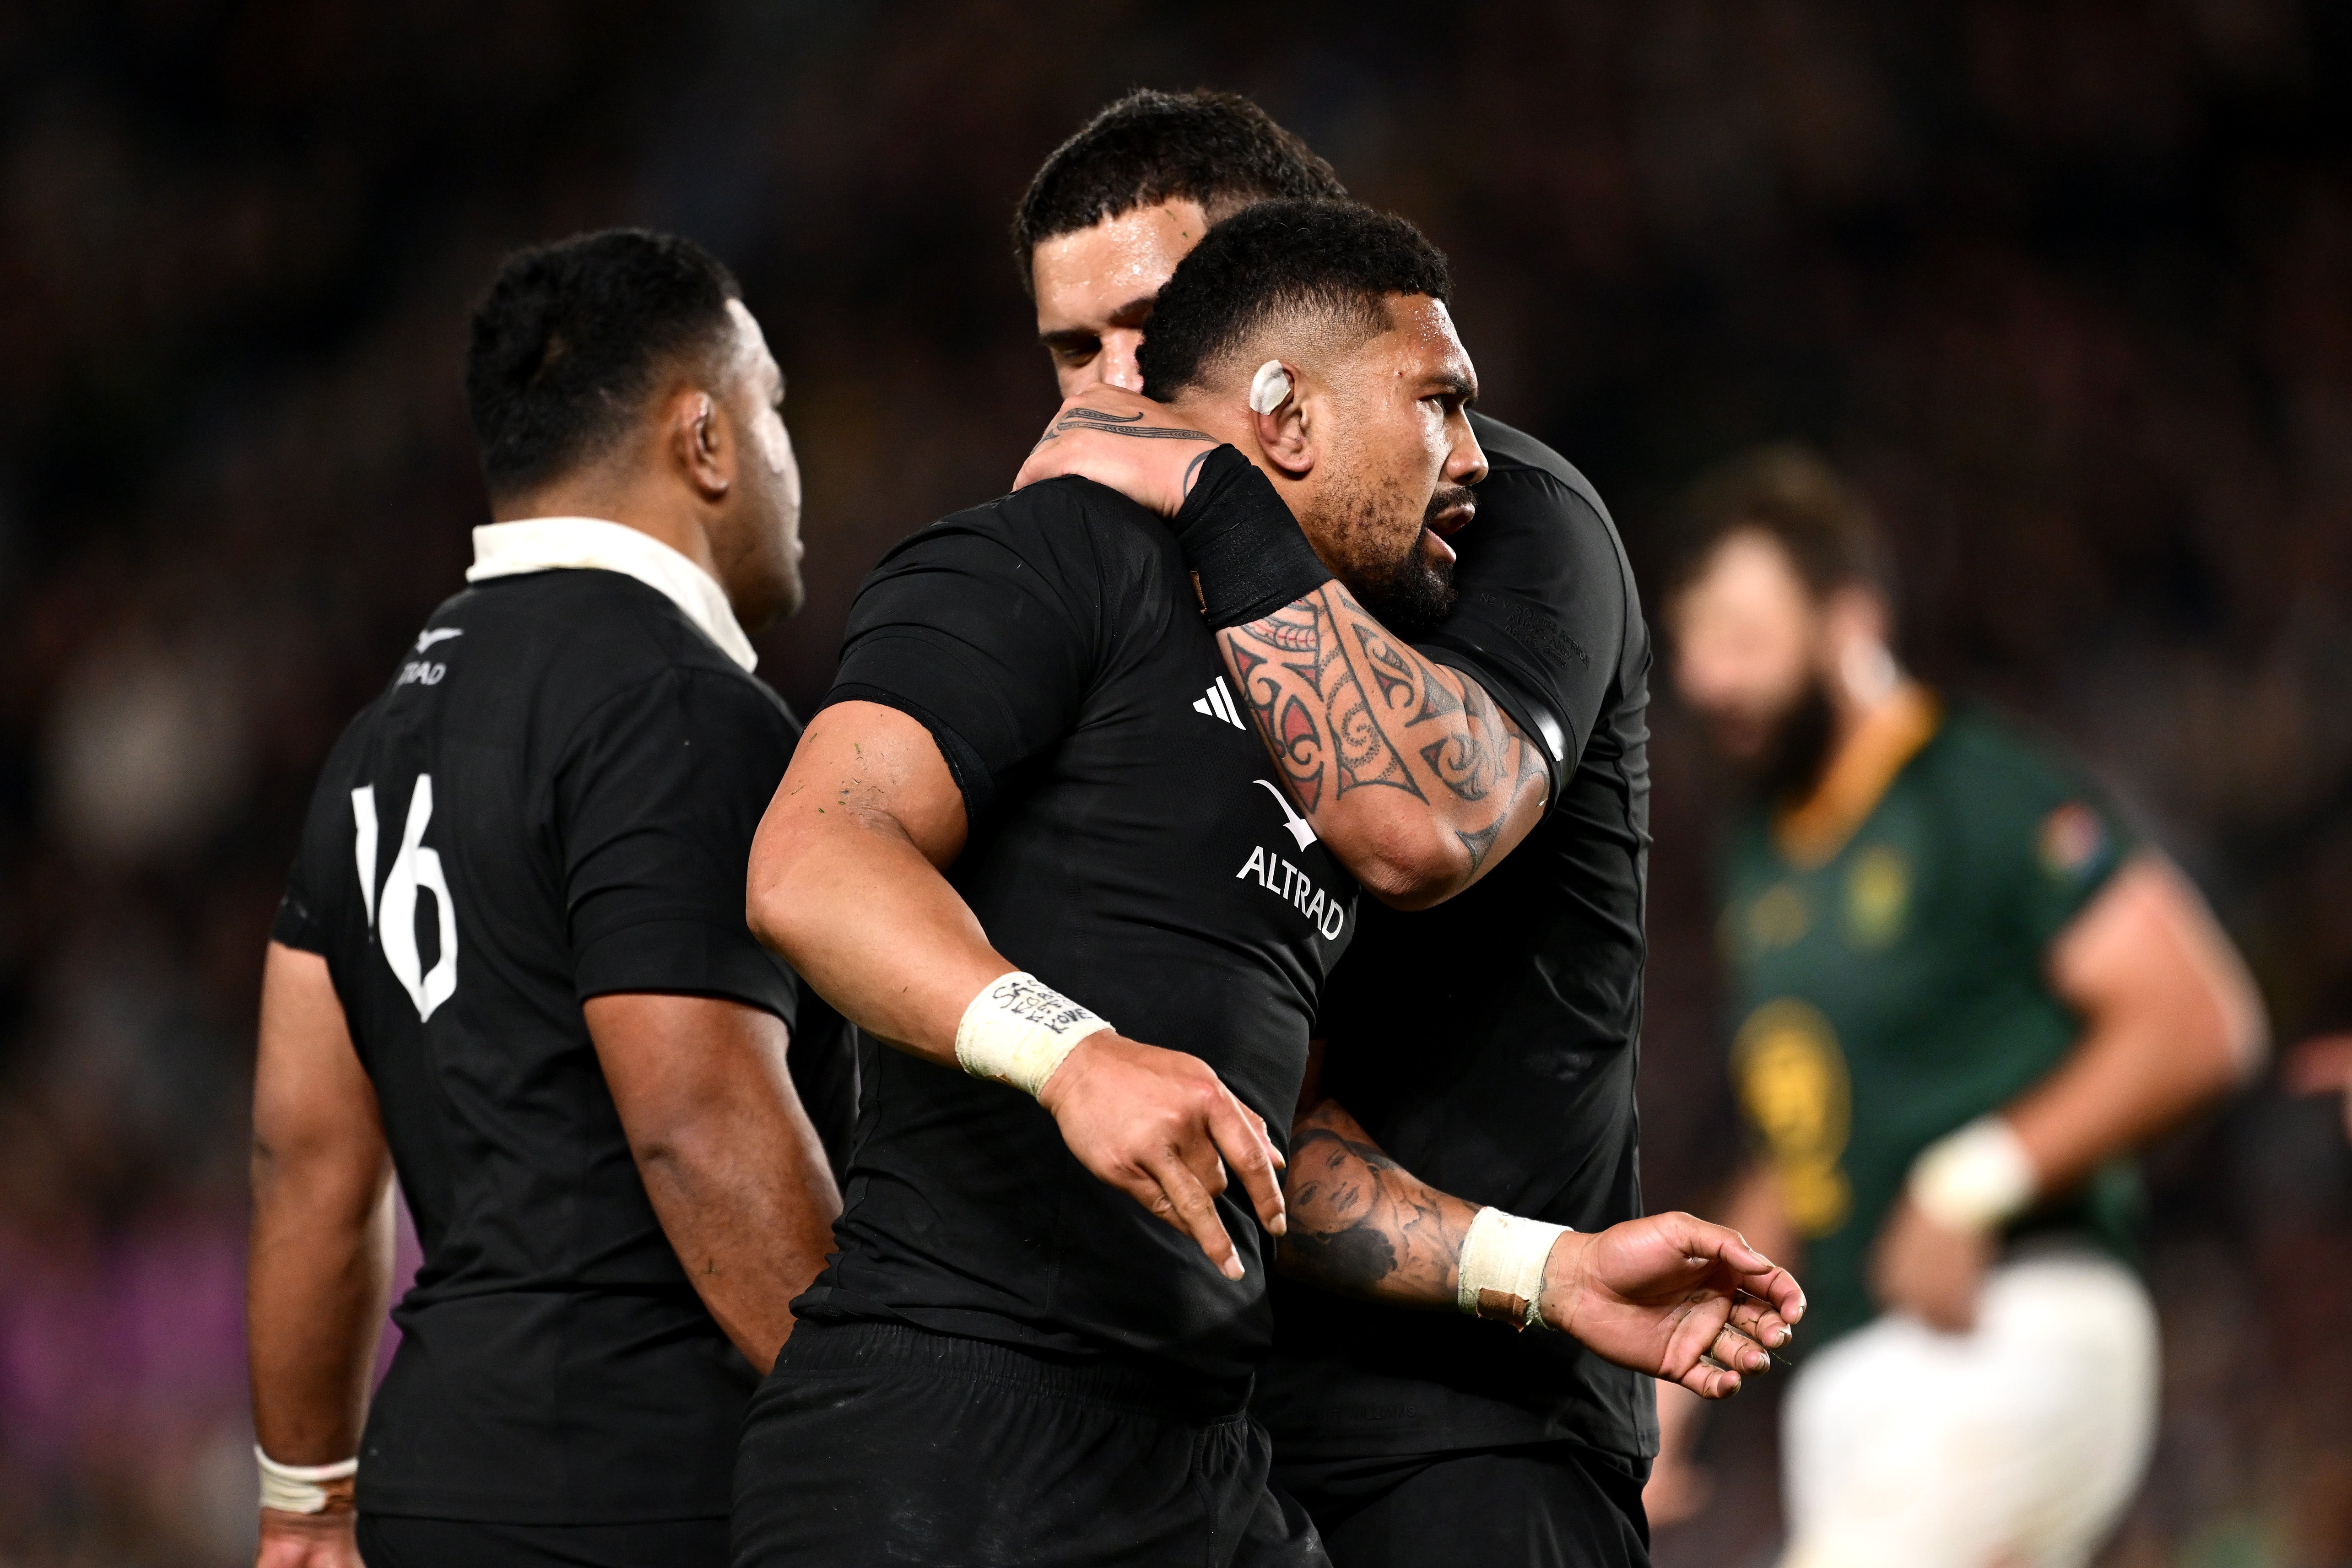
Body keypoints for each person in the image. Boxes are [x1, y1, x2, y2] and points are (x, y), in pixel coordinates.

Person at [736, 200, 1799, 1568]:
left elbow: (1269, 1145)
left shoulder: (1329, 690)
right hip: (953, 1428)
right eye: (1437, 403)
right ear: (1286, 412)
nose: (1475, 454)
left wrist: (1547, 1269)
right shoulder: (1046, 558)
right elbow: (811, 858)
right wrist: (1070, 1054)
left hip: (1197, 1460)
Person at [1010, 90, 1676, 1565]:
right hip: (1186, 1441)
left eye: (1151, 323)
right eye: (1070, 349)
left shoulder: (1505, 520)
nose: (1109, 385)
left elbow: (1415, 822)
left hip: (1469, 1438)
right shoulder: (1097, 592)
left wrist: (1207, 489)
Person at [245, 229, 845, 1568]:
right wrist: (885, 1441)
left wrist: (306, 1503)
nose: (787, 458)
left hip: (436, 1481)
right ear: (704, 437)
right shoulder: (681, 711)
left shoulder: (375, 740)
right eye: (771, 408)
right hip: (657, 1486)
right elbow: (696, 1125)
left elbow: (306, 1157)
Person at [1652, 445, 2267, 1568]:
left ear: (1848, 620)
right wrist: (1681, 1363)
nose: (1706, 679)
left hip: (2006, 1324)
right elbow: (1804, 1145)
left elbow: (2196, 1019)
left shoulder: (1971, 788)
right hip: (1855, 1379)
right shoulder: (1761, 850)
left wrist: (1972, 1180)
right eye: (1691, 644)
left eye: (1740, 636)